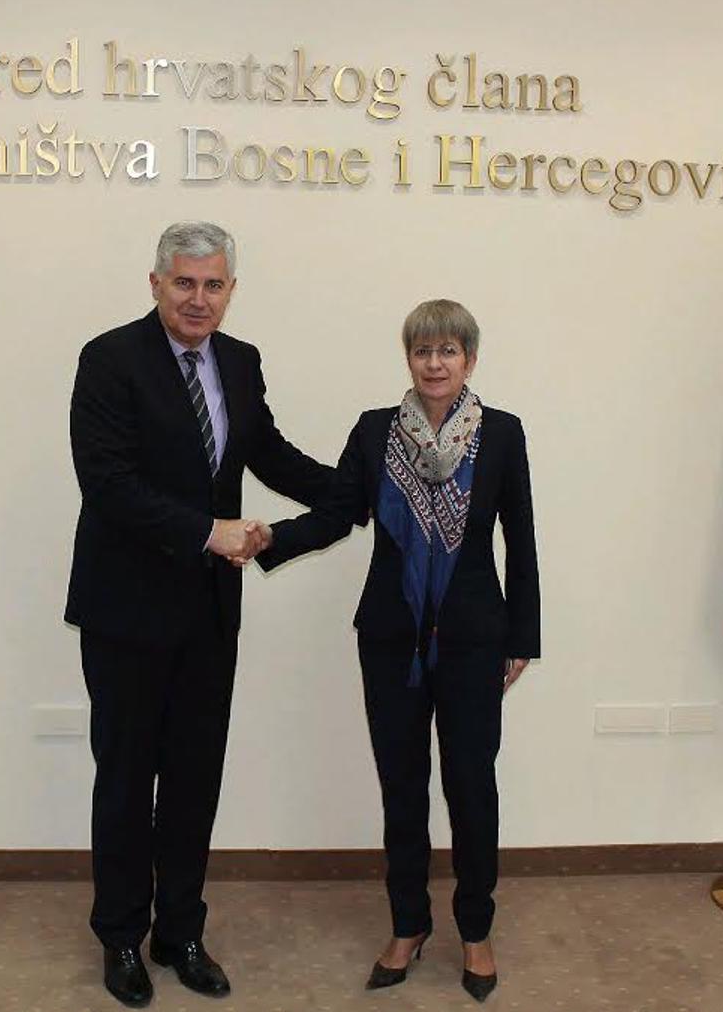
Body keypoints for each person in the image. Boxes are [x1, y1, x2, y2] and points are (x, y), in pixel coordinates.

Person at [65, 221, 334, 1007]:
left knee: (193, 779)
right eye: (184, 283)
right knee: (126, 780)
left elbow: (269, 453)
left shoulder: (239, 361)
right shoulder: (109, 359)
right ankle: (121, 935)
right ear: (155, 283)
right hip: (125, 611)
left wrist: (364, 486)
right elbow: (107, 483)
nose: (198, 299)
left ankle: (179, 931)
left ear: (231, 291)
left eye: (213, 285)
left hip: (210, 614)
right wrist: (207, 531)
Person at [254, 299, 539, 1004]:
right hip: (389, 639)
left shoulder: (502, 434)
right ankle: (408, 925)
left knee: (470, 786)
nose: (434, 364)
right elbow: (338, 512)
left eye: (448, 351)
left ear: (469, 359)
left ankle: (475, 930)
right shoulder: (375, 431)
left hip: (474, 641)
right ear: (407, 358)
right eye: (422, 351)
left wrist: (522, 637)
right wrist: (269, 540)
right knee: (402, 786)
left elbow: (520, 536)